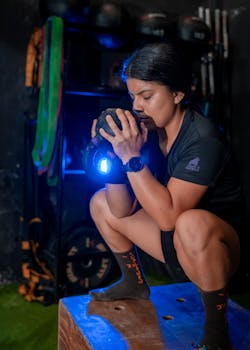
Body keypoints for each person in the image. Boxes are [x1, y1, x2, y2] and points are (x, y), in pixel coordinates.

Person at [87, 41, 245, 350]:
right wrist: (113, 151)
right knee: (101, 202)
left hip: (218, 252)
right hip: (174, 247)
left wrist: (131, 158)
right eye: (133, 96)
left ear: (177, 94)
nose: (137, 107)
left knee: (191, 223)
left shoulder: (203, 139)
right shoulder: (146, 131)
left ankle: (217, 333)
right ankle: (134, 283)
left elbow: (170, 217)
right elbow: (120, 211)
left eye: (146, 96)